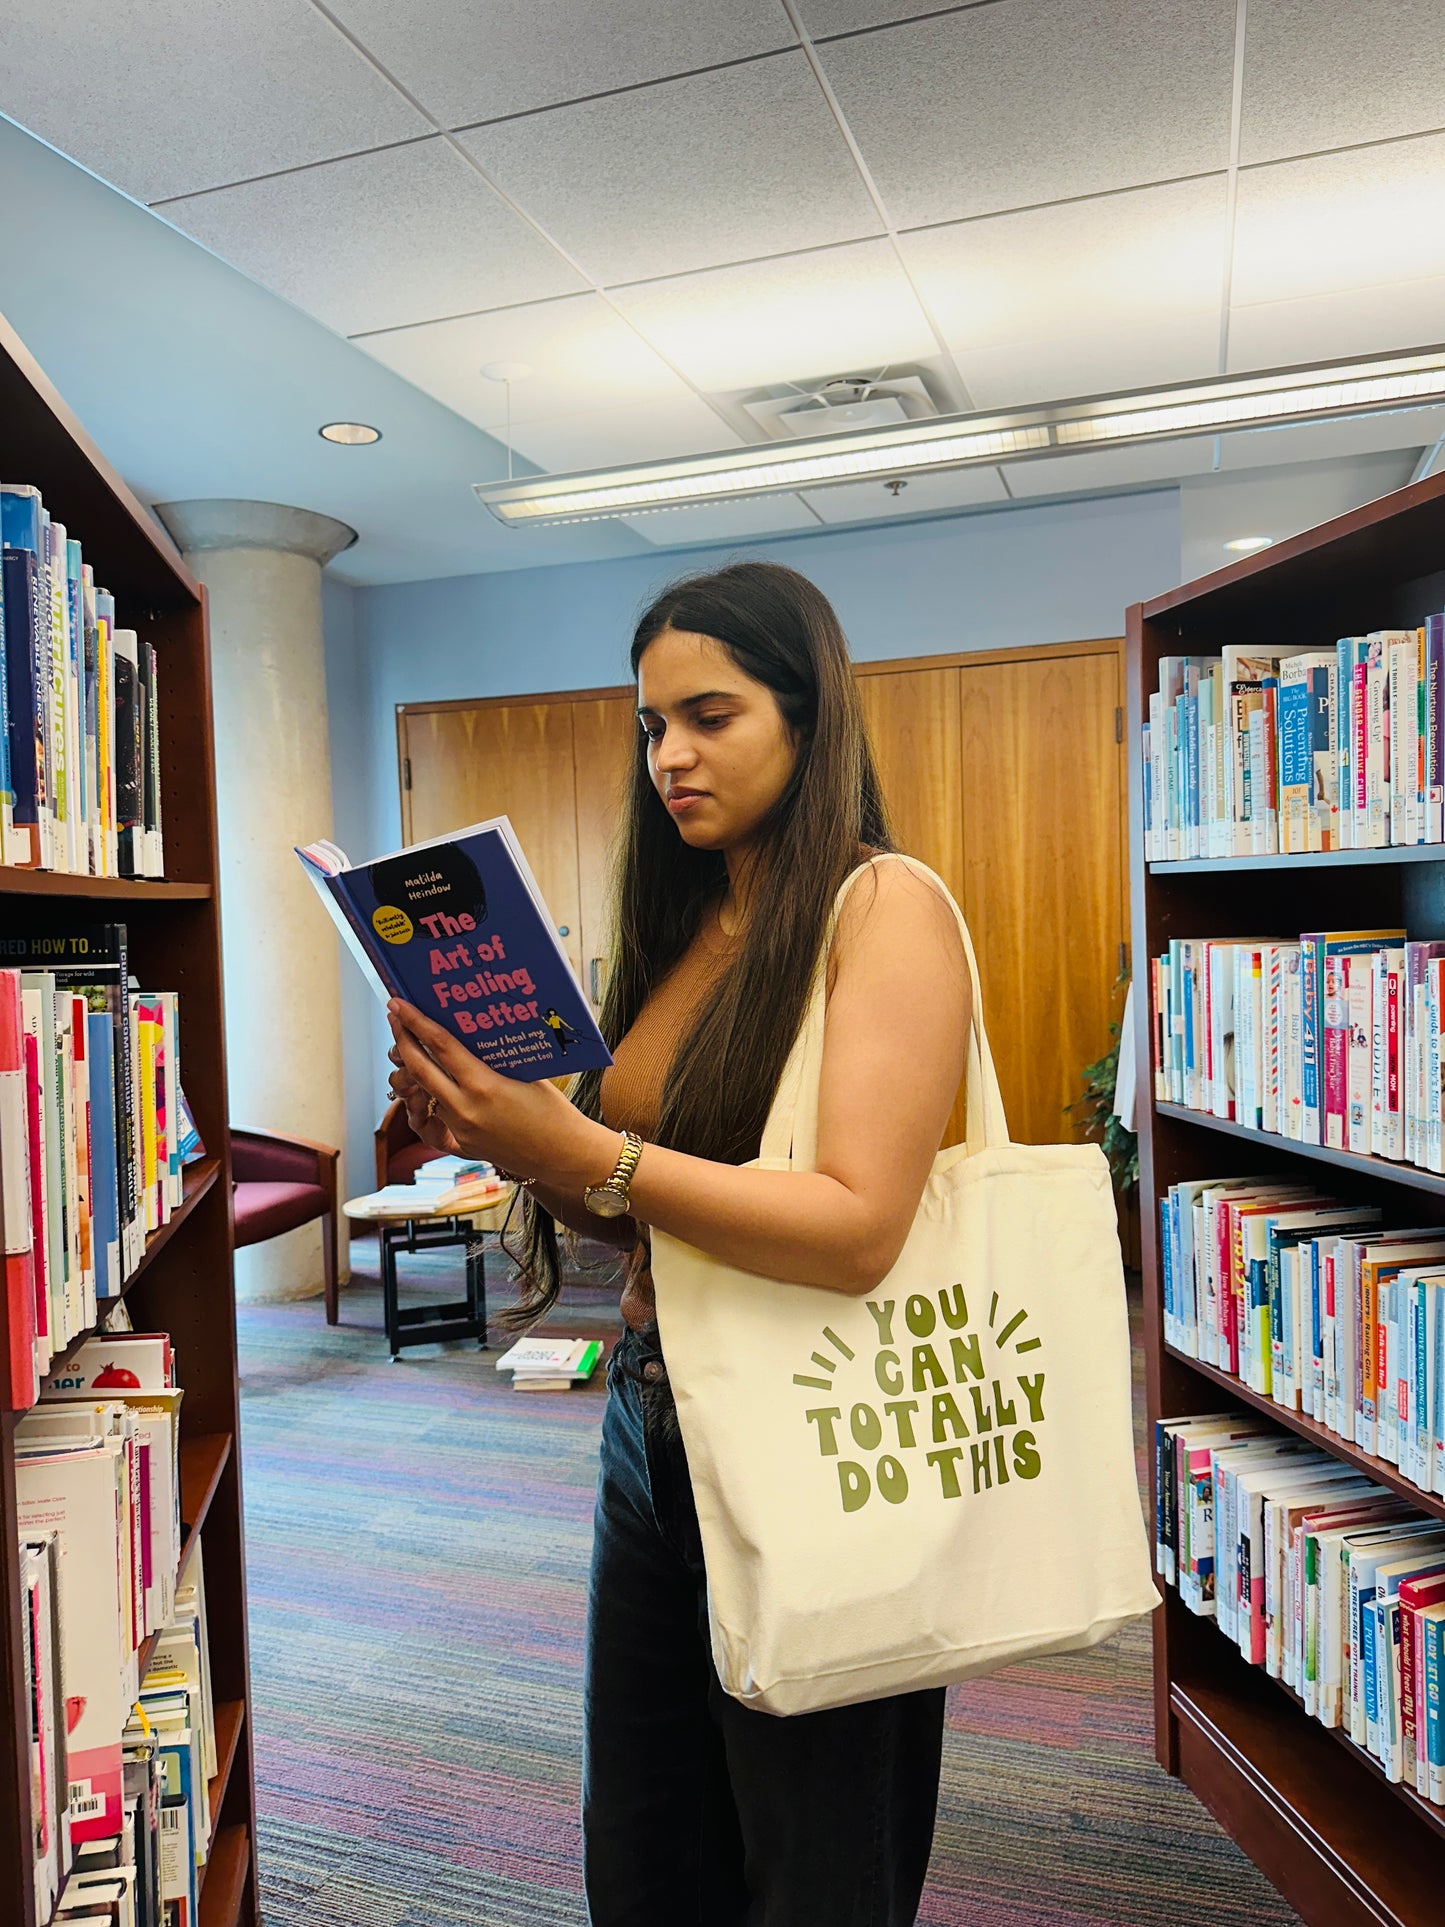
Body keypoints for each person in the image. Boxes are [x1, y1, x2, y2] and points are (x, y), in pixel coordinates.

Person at [386, 561, 971, 1927]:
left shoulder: (883, 907)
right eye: (651, 725)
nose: (670, 756)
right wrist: (513, 1141)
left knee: (816, 1868)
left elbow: (855, 1228)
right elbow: (638, 1199)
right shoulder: (685, 922)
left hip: (824, 1435)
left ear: (808, 716)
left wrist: (586, 1150)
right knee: (648, 1855)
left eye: (709, 715)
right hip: (652, 1430)